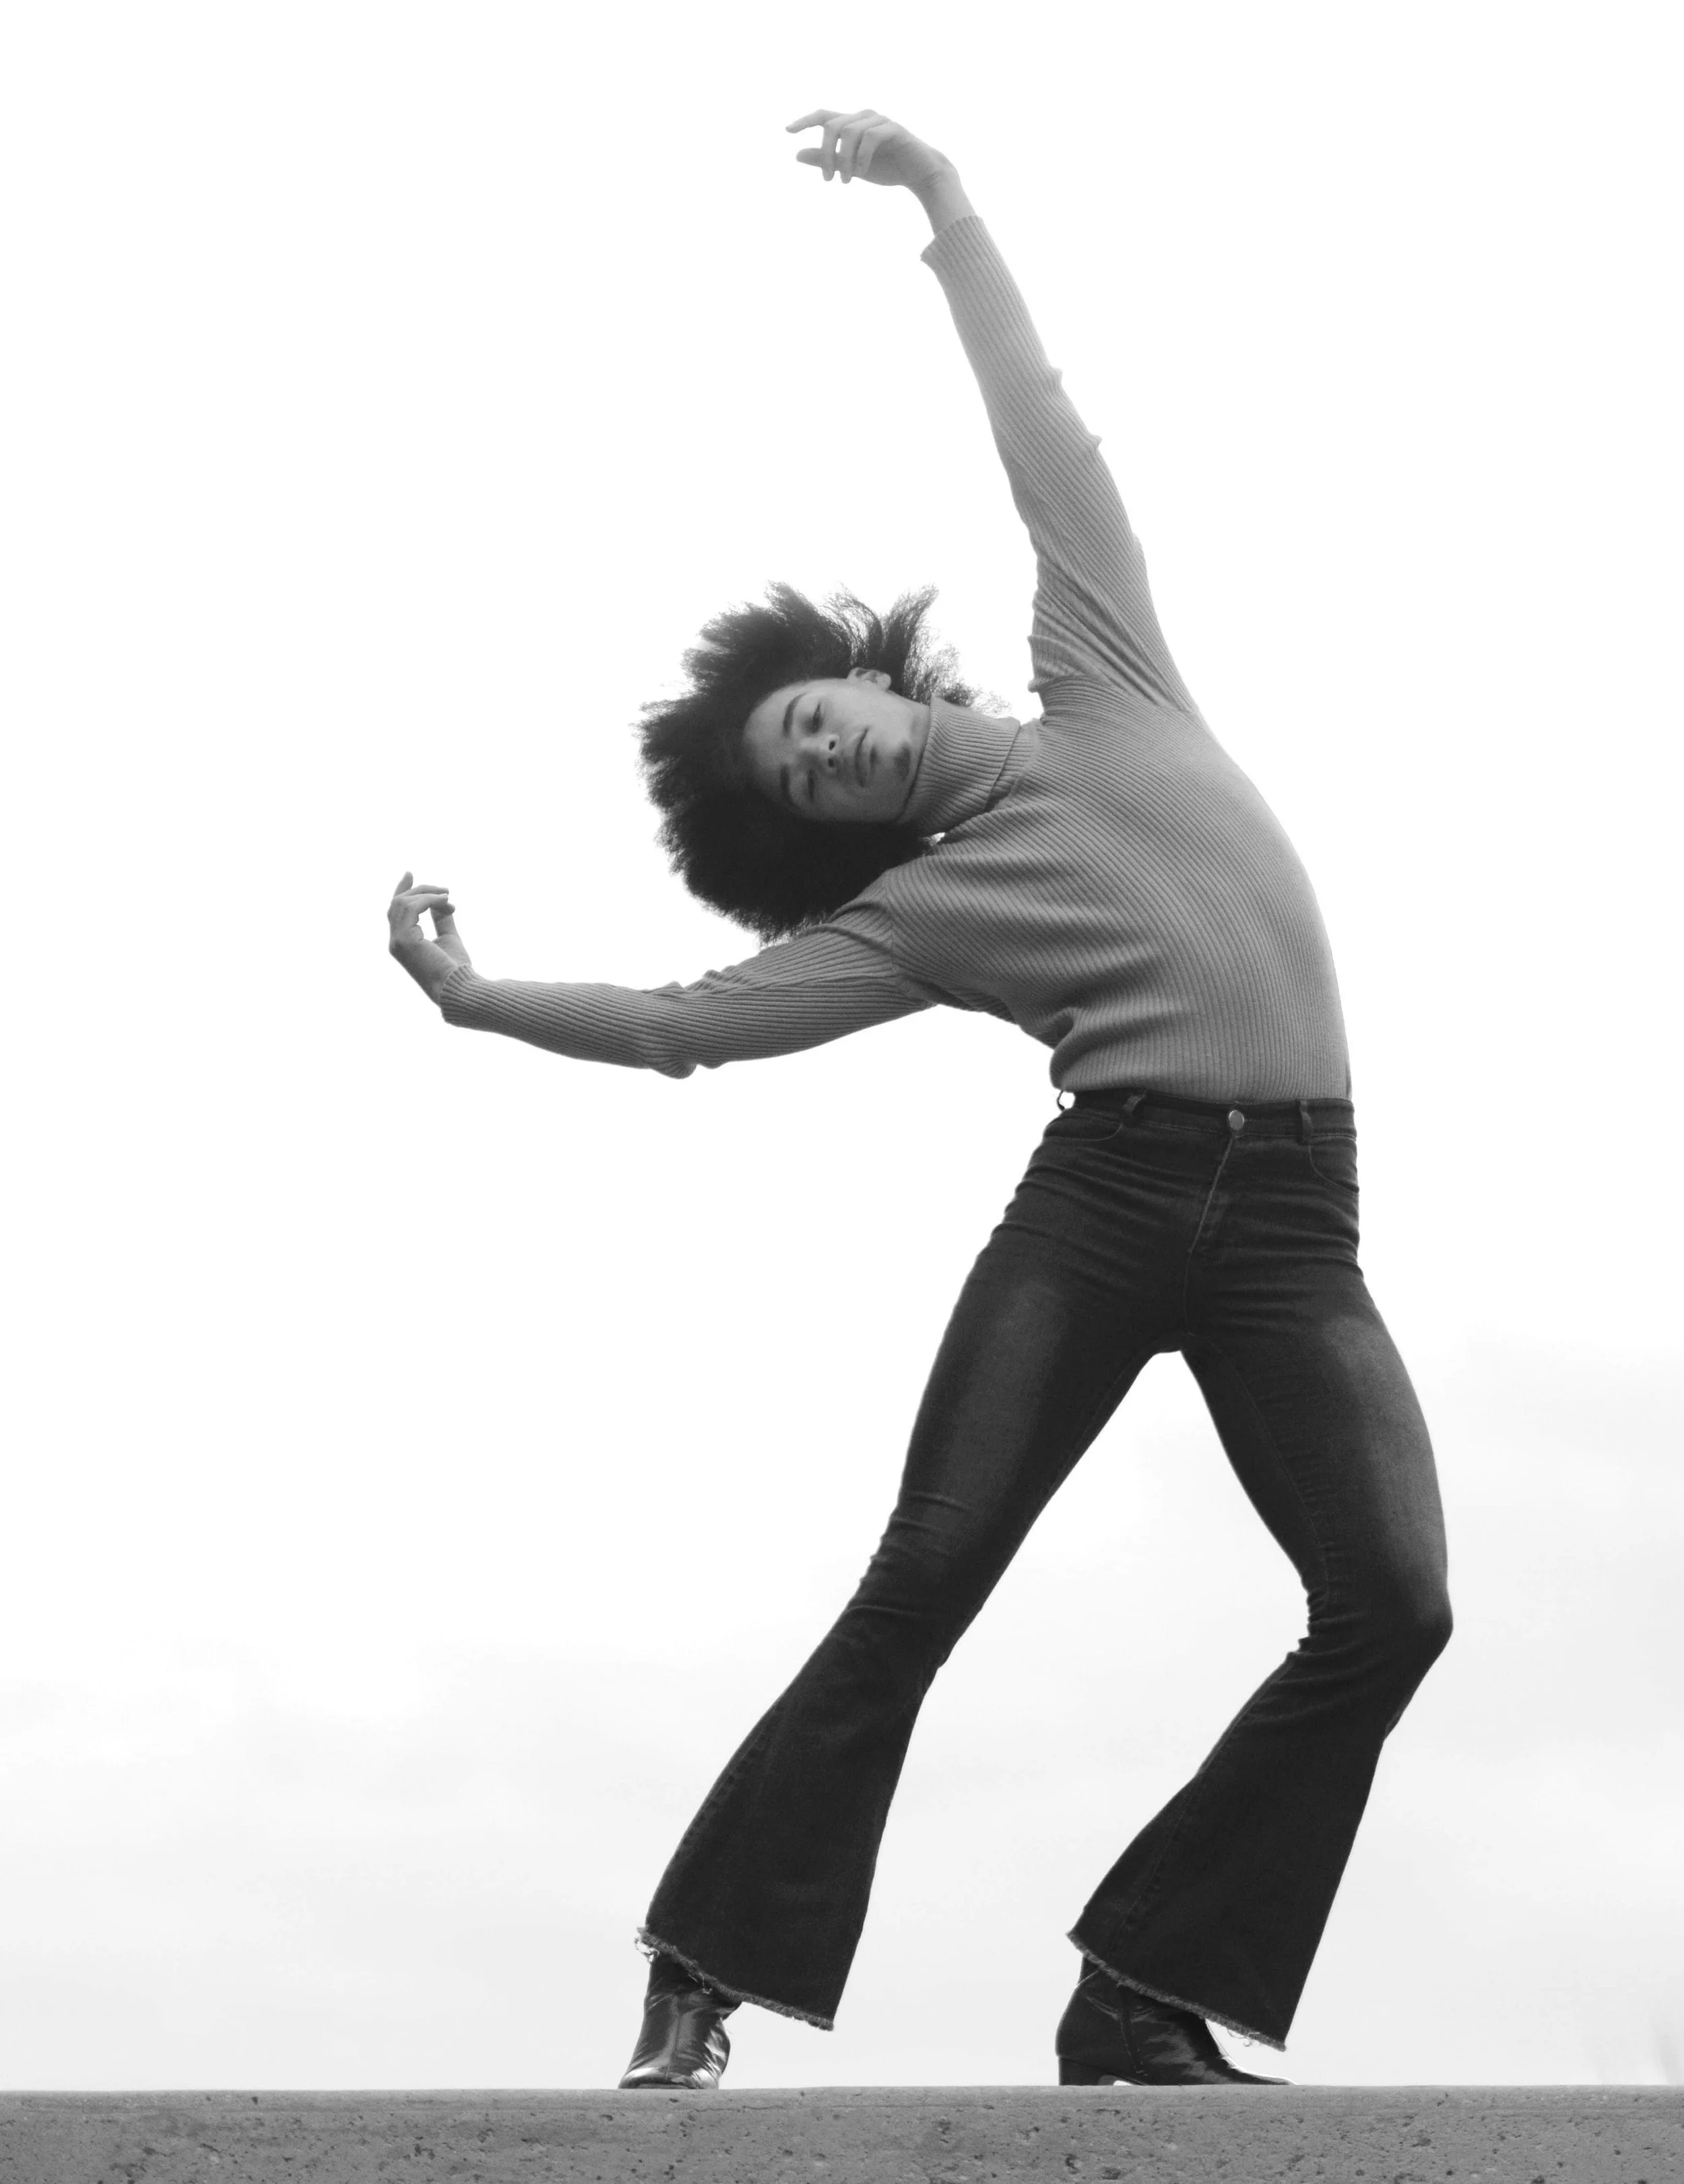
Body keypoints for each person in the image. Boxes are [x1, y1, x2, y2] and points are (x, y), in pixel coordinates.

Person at [387, 108, 1452, 2090]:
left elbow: (1042, 436)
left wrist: (946, 205)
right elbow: (687, 1020)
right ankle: (701, 1968)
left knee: (1391, 1606)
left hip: (1300, 1226)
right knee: (926, 1580)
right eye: (801, 782)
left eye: (818, 720)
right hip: (1106, 1213)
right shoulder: (916, 922)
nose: (833, 758)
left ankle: (1137, 1994)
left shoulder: (1103, 672)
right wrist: (473, 1000)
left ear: (865, 669)